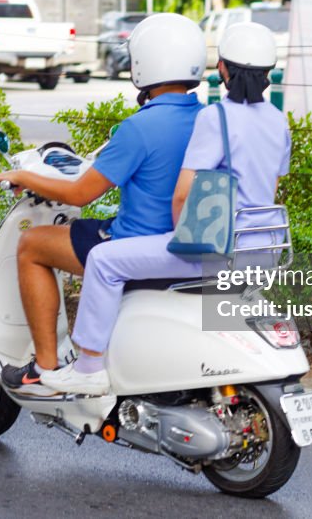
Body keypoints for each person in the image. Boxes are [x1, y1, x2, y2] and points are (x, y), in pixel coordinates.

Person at [40, 22, 291, 395]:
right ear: (268, 72)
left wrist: (179, 236)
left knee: (103, 261)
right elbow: (270, 188)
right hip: (263, 248)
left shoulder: (216, 117)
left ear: (223, 68)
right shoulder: (278, 120)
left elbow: (182, 195)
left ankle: (89, 366)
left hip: (216, 247)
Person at [0, 13, 206, 396]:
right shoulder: (207, 118)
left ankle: (45, 368)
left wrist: (22, 177)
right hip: (187, 243)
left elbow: (79, 194)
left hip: (133, 244)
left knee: (32, 244)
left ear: (143, 64)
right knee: (82, 231)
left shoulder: (140, 127)